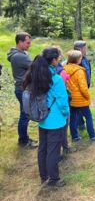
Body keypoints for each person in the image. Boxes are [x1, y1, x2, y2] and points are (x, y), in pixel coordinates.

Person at [23, 48, 70, 187]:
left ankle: (44, 176)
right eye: (58, 58)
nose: (59, 60)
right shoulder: (55, 79)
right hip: (55, 121)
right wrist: (66, 113)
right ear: (54, 60)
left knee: (43, 148)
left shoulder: (36, 75)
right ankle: (54, 179)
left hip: (42, 119)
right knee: (53, 151)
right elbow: (62, 101)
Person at [7, 32, 38, 148]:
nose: (29, 45)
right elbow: (35, 66)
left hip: (20, 88)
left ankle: (23, 138)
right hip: (23, 89)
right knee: (25, 115)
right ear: (20, 42)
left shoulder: (17, 54)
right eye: (27, 43)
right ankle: (23, 141)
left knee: (24, 114)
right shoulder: (20, 56)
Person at [64, 50, 95, 142]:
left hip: (70, 98)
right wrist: (87, 96)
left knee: (73, 118)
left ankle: (75, 137)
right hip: (81, 99)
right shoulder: (79, 71)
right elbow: (83, 87)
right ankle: (93, 136)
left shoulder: (64, 69)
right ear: (78, 60)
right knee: (88, 117)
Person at [53, 47, 76, 155]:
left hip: (50, 103)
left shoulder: (46, 70)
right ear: (56, 58)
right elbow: (61, 91)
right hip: (59, 103)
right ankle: (65, 148)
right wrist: (66, 109)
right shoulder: (60, 71)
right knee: (63, 126)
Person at [73, 41, 91, 131]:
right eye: (85, 48)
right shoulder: (74, 60)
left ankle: (80, 124)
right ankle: (80, 124)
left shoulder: (85, 59)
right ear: (80, 49)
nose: (86, 49)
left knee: (80, 108)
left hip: (85, 87)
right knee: (81, 109)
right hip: (78, 89)